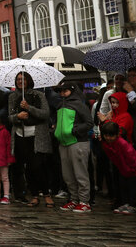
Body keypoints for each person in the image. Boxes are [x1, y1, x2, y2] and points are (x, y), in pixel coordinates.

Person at [8, 72, 53, 207]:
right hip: (20, 135)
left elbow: (45, 114)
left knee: (37, 166)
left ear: (29, 80)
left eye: (23, 79)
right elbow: (10, 117)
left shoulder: (38, 95)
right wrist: (18, 116)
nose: (20, 81)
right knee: (27, 167)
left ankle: (46, 194)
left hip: (36, 135)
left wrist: (29, 108)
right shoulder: (12, 96)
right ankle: (34, 195)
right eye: (18, 79)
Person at [53, 81, 94, 213]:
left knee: (80, 173)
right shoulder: (60, 105)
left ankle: (84, 201)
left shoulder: (79, 104)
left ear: (72, 90)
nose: (62, 93)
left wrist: (74, 130)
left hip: (78, 142)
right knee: (68, 175)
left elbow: (89, 123)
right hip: (64, 143)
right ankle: (74, 199)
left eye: (65, 91)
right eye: (60, 91)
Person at [100, 121, 136, 215]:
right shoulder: (106, 144)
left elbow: (131, 157)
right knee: (122, 186)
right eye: (106, 135)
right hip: (122, 168)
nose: (108, 138)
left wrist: (134, 169)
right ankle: (125, 203)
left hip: (132, 169)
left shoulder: (122, 143)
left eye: (111, 136)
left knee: (131, 187)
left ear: (117, 135)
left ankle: (132, 205)